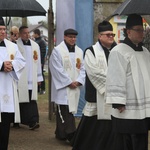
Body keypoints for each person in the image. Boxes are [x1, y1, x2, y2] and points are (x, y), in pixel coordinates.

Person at [71, 21, 120, 150]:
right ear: (100, 36)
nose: (111, 37)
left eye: (112, 34)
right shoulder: (90, 51)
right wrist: (116, 83)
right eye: (108, 34)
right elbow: (95, 73)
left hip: (116, 98)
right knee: (92, 134)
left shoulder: (119, 51)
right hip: (97, 98)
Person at [105, 14, 150, 150]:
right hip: (126, 107)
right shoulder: (118, 51)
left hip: (143, 108)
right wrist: (118, 101)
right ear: (128, 31)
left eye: (142, 30)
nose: (142, 33)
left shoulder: (145, 51)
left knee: (141, 139)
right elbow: (115, 76)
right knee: (126, 142)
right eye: (138, 30)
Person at [49, 28, 85, 142]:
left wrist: (79, 80)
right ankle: (71, 135)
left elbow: (83, 68)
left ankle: (60, 133)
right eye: (70, 37)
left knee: (70, 109)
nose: (73, 39)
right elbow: (56, 69)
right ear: (64, 37)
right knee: (65, 109)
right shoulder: (57, 51)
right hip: (64, 87)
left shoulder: (79, 51)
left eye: (74, 37)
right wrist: (68, 82)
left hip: (75, 86)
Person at [0, 17, 25, 150]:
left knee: (5, 125)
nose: (3, 32)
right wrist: (1, 66)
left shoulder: (12, 46)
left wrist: (12, 65)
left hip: (7, 92)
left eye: (4, 29)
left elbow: (22, 62)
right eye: (0, 29)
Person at [17, 26, 43, 130]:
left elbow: (38, 62)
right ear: (20, 34)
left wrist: (39, 78)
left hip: (31, 77)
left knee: (32, 99)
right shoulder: (15, 46)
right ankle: (17, 120)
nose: (27, 35)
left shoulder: (35, 46)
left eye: (28, 33)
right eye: (24, 33)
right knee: (20, 99)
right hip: (20, 77)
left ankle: (33, 121)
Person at [33, 29, 47, 94]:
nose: (33, 35)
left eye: (34, 33)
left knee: (41, 74)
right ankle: (37, 89)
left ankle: (43, 89)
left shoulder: (41, 41)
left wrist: (41, 62)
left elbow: (43, 52)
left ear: (36, 34)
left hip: (40, 61)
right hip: (35, 61)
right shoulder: (36, 41)